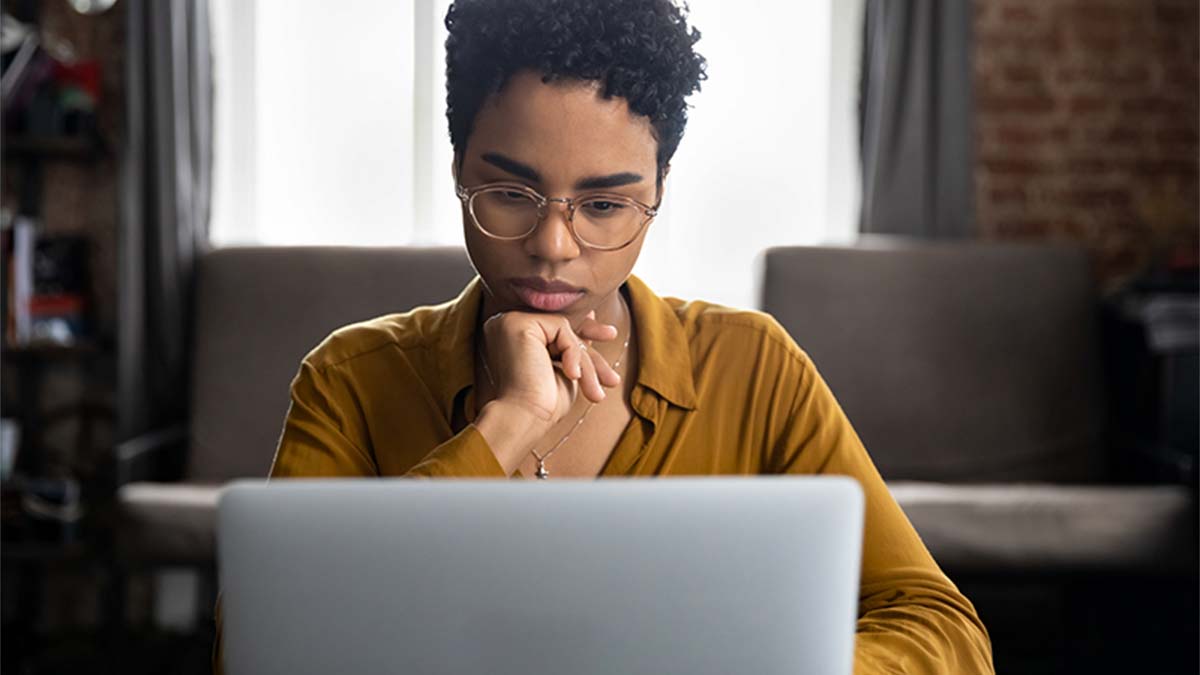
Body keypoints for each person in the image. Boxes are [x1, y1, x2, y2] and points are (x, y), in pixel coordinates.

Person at [214, 0, 993, 672]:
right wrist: (506, 424)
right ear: (457, 168)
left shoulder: (755, 367)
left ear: (658, 192)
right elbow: (272, 649)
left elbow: (942, 628)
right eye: (511, 192)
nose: (554, 244)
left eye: (605, 205)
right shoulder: (349, 377)